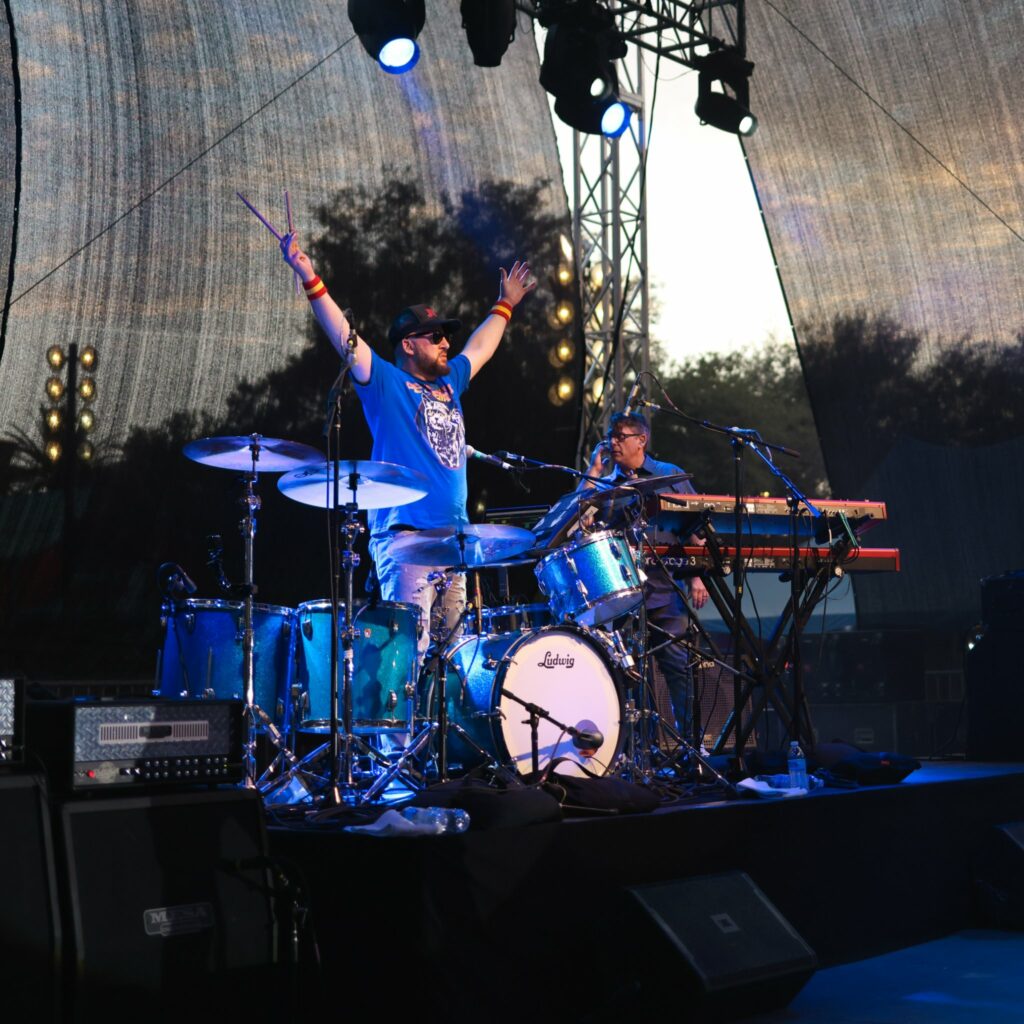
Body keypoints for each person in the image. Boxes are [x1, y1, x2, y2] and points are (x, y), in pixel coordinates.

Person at [278, 230, 536, 662]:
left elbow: (481, 347)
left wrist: (504, 304)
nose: (446, 344)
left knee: (451, 663)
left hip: (453, 542)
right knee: (406, 664)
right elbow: (344, 337)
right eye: (435, 337)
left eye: (445, 337)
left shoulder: (450, 381)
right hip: (406, 541)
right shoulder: (385, 382)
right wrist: (309, 275)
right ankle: (393, 735)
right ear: (409, 344)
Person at [579, 410, 709, 741]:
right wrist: (592, 472)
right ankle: (638, 751)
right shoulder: (605, 486)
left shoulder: (669, 475)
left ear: (641, 440)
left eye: (620, 437)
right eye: (610, 436)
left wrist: (698, 576)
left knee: (678, 668)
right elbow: (576, 520)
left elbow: (696, 529)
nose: (613, 443)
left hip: (666, 590)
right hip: (624, 595)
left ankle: (692, 747)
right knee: (630, 676)